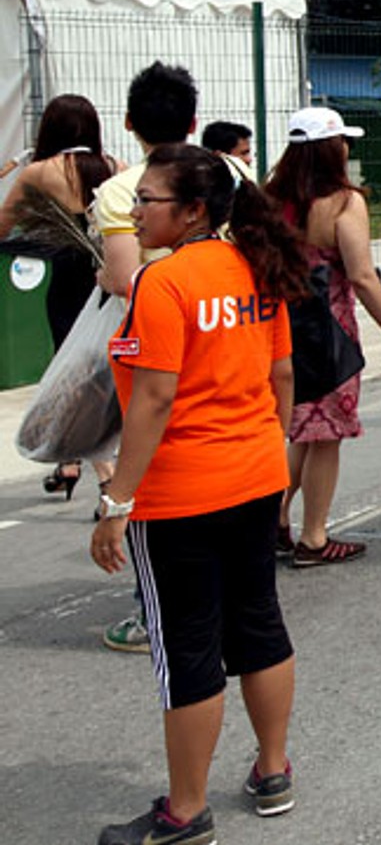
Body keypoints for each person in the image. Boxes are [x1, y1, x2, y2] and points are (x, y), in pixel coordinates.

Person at [93, 143, 305, 844]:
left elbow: (153, 399)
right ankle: (273, 771)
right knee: (258, 625)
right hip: (253, 477)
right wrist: (272, 460)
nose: (136, 210)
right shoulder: (257, 265)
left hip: (181, 494)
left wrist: (115, 504)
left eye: (147, 199)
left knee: (187, 647)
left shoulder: (167, 282)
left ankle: (185, 811)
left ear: (192, 210)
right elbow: (281, 377)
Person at [265, 107, 381, 567]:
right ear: (333, 148)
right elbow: (362, 275)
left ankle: (276, 517)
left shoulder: (270, 199)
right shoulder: (344, 202)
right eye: (344, 140)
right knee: (325, 435)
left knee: (299, 430)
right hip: (330, 332)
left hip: (281, 327)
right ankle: (314, 536)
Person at [90, 61, 200, 653]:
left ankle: (152, 608)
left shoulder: (120, 189)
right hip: (230, 344)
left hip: (160, 353)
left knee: (157, 477)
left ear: (129, 122)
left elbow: (130, 280)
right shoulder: (229, 172)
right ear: (194, 120)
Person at [0, 95, 121, 500]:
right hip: (111, 279)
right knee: (101, 372)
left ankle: (104, 476)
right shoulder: (115, 167)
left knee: (74, 371)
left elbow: (4, 225)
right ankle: (69, 461)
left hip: (69, 283)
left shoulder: (39, 172)